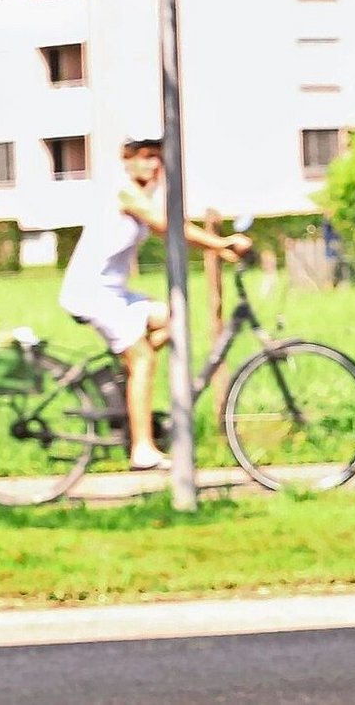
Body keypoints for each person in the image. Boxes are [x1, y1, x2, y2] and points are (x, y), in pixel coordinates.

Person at [59, 133, 252, 471]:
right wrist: (220, 243)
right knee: (144, 358)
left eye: (157, 158)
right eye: (146, 156)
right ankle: (142, 448)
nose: (153, 163)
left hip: (112, 291)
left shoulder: (140, 194)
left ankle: (123, 385)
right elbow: (167, 227)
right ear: (127, 159)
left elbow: (174, 224)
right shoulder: (124, 192)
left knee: (174, 319)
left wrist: (218, 248)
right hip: (92, 292)